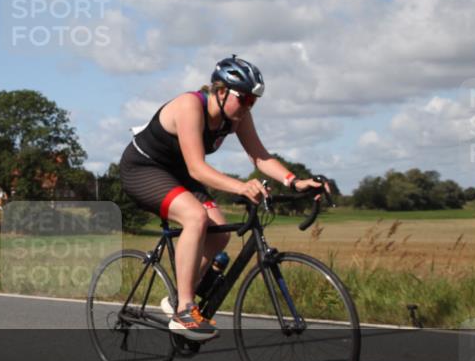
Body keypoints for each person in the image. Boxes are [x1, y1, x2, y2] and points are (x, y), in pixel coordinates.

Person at [119, 56, 329, 341]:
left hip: (179, 174)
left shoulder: (236, 116)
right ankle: (184, 310)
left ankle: (179, 297)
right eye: (243, 99)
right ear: (220, 91)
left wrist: (294, 181)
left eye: (253, 102)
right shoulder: (189, 106)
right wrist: (241, 187)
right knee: (195, 217)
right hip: (144, 170)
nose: (247, 106)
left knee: (219, 235)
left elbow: (260, 156)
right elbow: (197, 168)